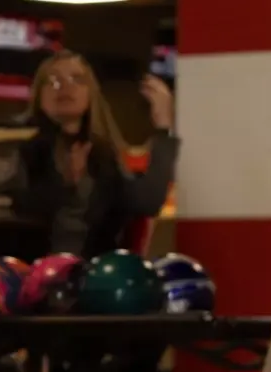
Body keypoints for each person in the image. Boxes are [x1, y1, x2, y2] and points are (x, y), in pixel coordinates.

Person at [9, 51, 178, 259]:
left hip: (94, 270)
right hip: (32, 268)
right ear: (39, 96)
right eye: (53, 81)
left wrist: (163, 129)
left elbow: (147, 202)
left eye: (77, 79)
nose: (64, 86)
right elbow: (18, 212)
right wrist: (67, 186)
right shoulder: (24, 149)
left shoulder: (104, 154)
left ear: (90, 94)